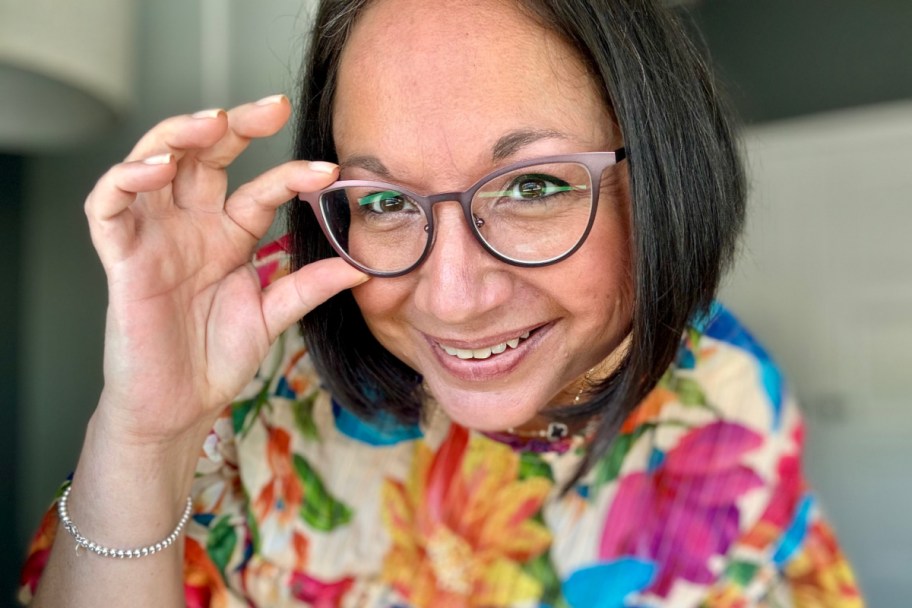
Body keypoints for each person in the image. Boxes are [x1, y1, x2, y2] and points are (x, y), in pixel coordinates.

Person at [20, 0, 864, 606]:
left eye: (532, 185)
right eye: (384, 202)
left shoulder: (731, 407)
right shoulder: (248, 353)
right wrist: (147, 431)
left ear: (666, 176)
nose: (452, 299)